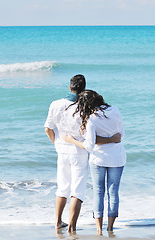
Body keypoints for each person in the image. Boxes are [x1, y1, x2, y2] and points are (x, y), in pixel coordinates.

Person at [44, 75, 120, 232]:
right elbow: (91, 139)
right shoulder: (85, 108)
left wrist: (57, 144)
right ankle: (72, 227)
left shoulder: (55, 104)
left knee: (62, 187)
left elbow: (48, 129)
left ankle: (58, 222)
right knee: (77, 190)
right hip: (79, 152)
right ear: (84, 89)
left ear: (69, 87)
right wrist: (111, 139)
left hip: (62, 151)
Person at [64, 90, 126, 235]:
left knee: (98, 192)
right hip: (117, 157)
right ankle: (110, 228)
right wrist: (110, 139)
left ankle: (99, 229)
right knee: (113, 192)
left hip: (99, 158)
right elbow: (120, 136)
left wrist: (71, 140)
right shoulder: (115, 110)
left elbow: (89, 146)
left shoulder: (92, 119)